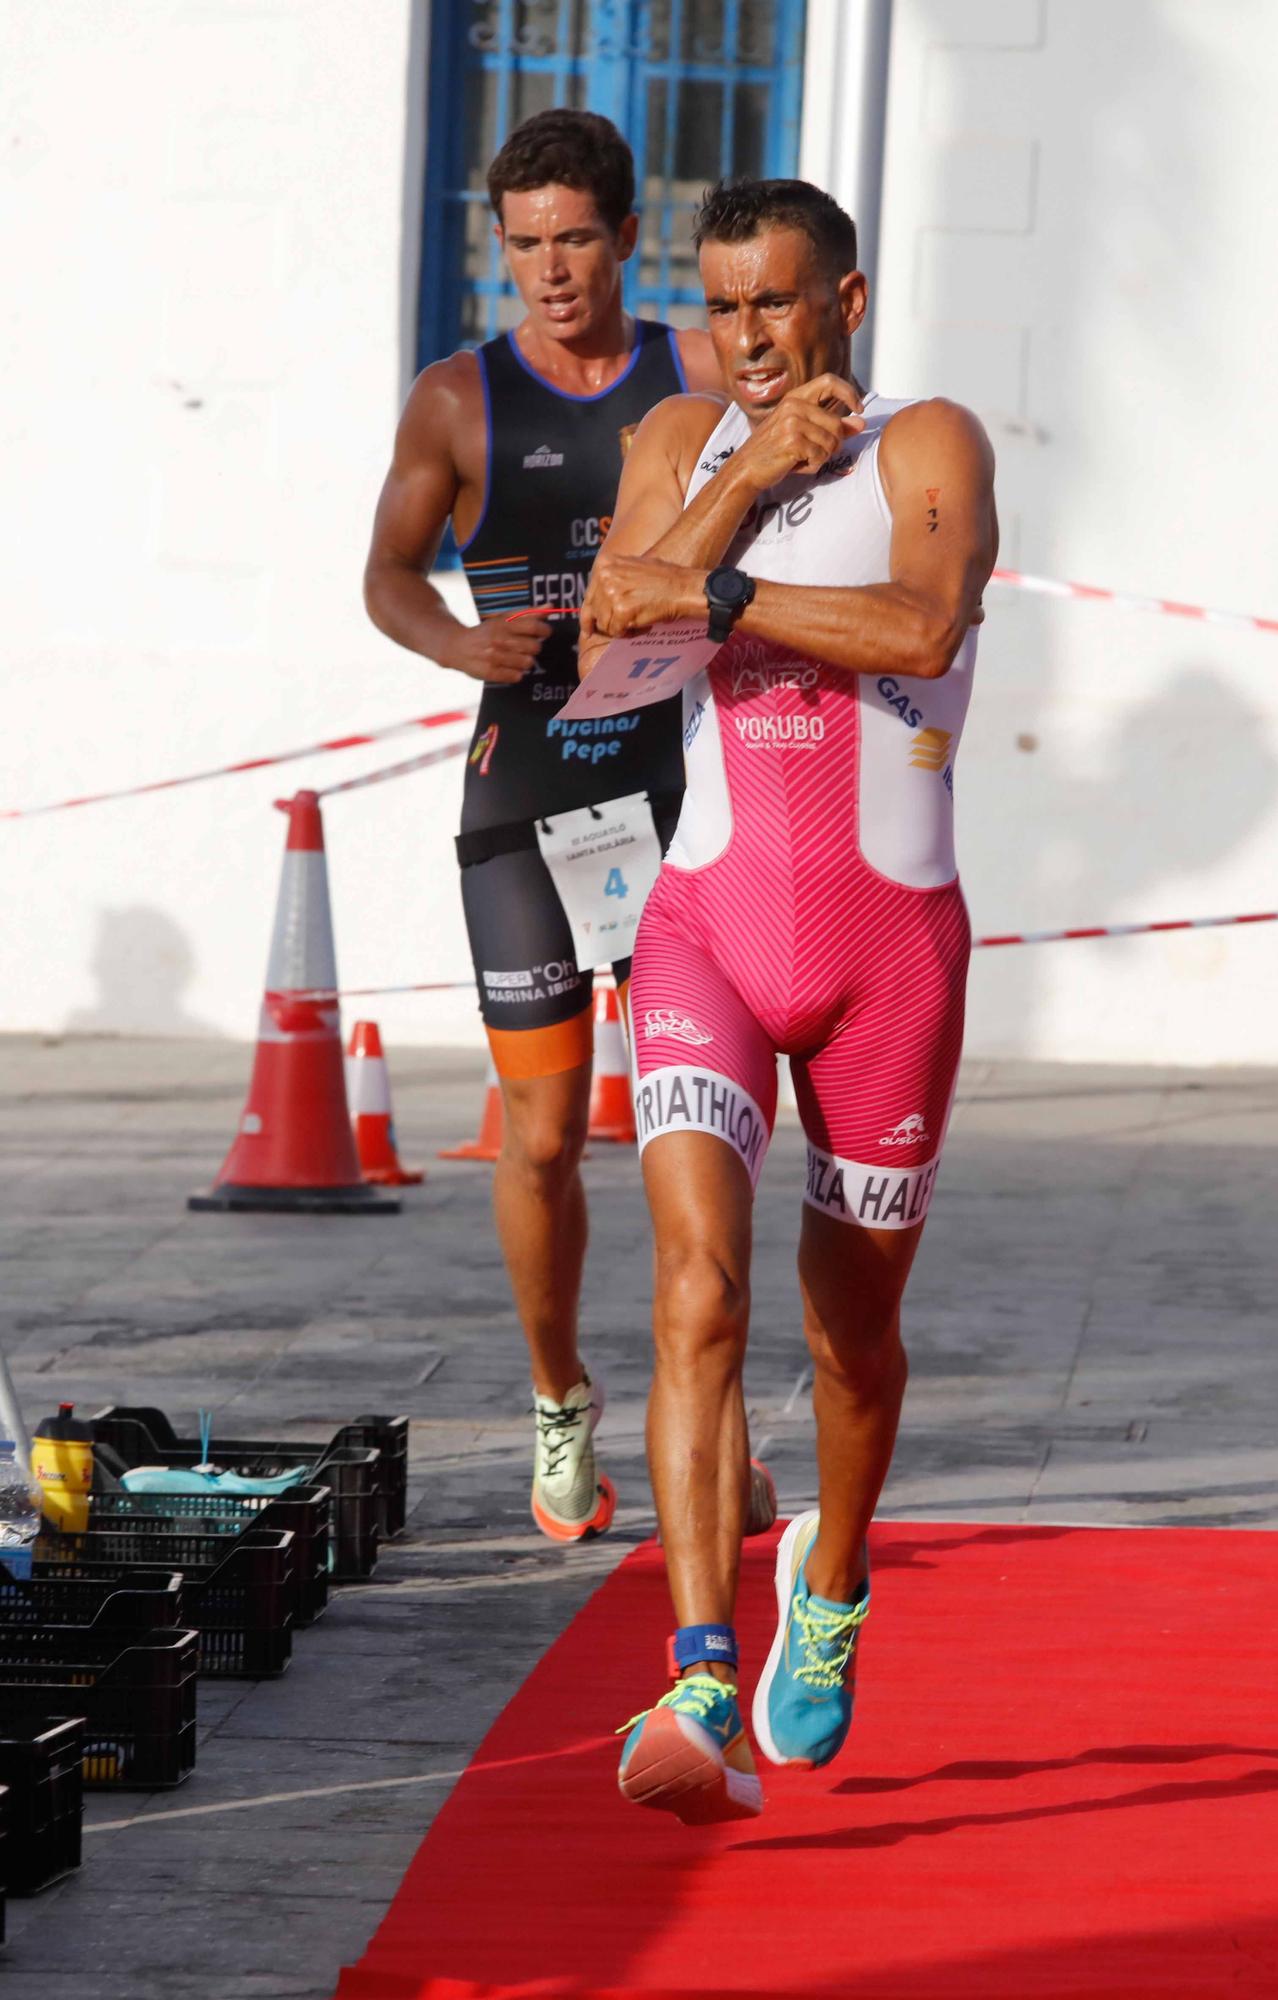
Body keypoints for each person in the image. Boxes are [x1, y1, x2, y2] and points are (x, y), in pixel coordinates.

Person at [580, 177, 997, 1822]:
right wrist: (746, 479)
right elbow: (613, 611)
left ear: (847, 301)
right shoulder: (684, 436)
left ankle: (827, 1592)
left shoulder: (927, 440)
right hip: (706, 929)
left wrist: (724, 592)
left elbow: (918, 616)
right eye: (719, 303)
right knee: (693, 1289)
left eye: (776, 304)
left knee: (850, 1332)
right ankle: (695, 1670)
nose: (744, 337)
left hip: (890, 953)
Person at [364, 110, 730, 1545]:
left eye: (575, 239)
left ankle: (696, 1430)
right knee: (534, 1138)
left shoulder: (693, 368)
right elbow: (389, 577)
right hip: (522, 804)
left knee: (693, 1133)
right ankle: (559, 1399)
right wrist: (460, 646)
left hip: (678, 797)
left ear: (629, 238)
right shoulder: (455, 399)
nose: (549, 272)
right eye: (521, 245)